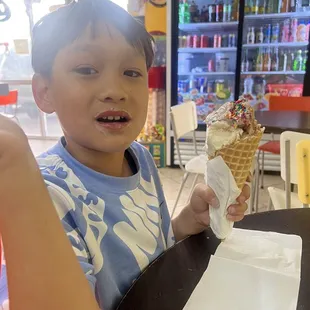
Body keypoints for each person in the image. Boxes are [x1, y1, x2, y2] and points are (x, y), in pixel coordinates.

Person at [0, 1, 250, 309]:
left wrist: (189, 220)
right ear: (44, 92)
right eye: (87, 69)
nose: (115, 90)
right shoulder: (47, 195)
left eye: (131, 72)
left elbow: (151, 250)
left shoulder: (140, 158)